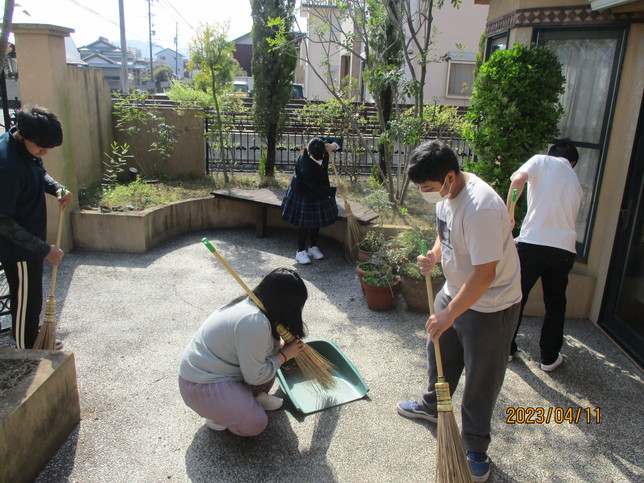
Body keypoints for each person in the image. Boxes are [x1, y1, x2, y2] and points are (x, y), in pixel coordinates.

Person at [396, 140, 521, 483]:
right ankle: (433, 407)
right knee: (438, 356)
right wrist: (434, 257)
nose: (426, 194)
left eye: (428, 188)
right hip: (454, 292)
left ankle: (476, 447)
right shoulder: (447, 196)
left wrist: (449, 313)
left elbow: (485, 274)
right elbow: (444, 235)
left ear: (450, 177)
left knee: (482, 379)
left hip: (491, 306)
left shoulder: (481, 208)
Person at [178, 268, 308, 436]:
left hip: (226, 373)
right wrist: (284, 355)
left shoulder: (256, 305)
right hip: (200, 385)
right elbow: (256, 376)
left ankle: (249, 398)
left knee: (270, 356)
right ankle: (219, 415)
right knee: (255, 424)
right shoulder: (254, 321)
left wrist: (280, 349)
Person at [0, 106, 73, 350]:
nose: (44, 153)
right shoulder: (7, 165)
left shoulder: (26, 150)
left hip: (30, 242)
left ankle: (32, 338)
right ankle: (26, 353)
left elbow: (39, 173)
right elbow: (3, 221)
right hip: (17, 249)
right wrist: (44, 249)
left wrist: (56, 188)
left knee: (32, 300)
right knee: (25, 303)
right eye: (41, 148)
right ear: (24, 135)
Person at [507, 139, 582, 371]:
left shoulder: (541, 160)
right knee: (556, 303)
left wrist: (509, 213)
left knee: (516, 297)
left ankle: (506, 348)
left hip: (534, 245)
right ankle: (549, 357)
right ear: (573, 162)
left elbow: (518, 179)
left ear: (552, 153)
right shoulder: (577, 183)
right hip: (565, 250)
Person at [281, 137, 343, 265]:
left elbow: (337, 139)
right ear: (310, 153)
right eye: (318, 158)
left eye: (322, 156)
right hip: (304, 192)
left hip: (318, 189)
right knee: (304, 223)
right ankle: (300, 251)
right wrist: (335, 190)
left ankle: (313, 247)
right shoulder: (306, 165)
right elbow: (315, 188)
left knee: (316, 221)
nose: (321, 159)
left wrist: (333, 146)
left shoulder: (318, 145)